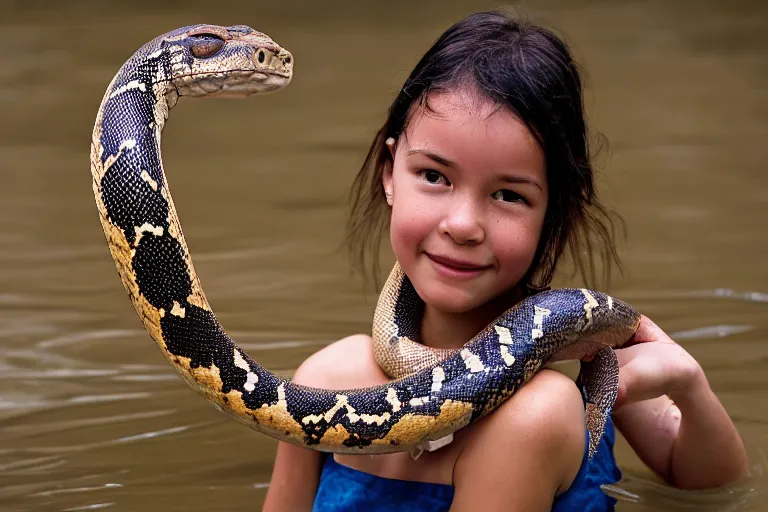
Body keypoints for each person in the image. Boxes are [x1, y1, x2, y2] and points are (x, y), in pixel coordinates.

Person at [263, 10, 749, 512]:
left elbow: (714, 488)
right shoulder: (323, 383)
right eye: (434, 176)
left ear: (554, 210)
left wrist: (687, 383)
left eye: (508, 196)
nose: (463, 224)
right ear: (390, 173)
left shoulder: (578, 359)